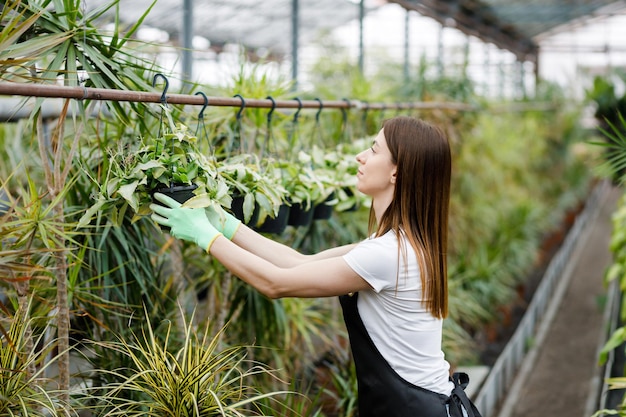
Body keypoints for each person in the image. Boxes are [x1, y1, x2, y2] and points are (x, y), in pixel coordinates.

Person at [151, 115, 481, 417]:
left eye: (373, 149)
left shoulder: (388, 255)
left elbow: (276, 284)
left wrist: (205, 236)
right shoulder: (397, 244)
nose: (361, 157)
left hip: (414, 408)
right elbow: (299, 263)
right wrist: (226, 224)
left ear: (397, 171)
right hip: (424, 404)